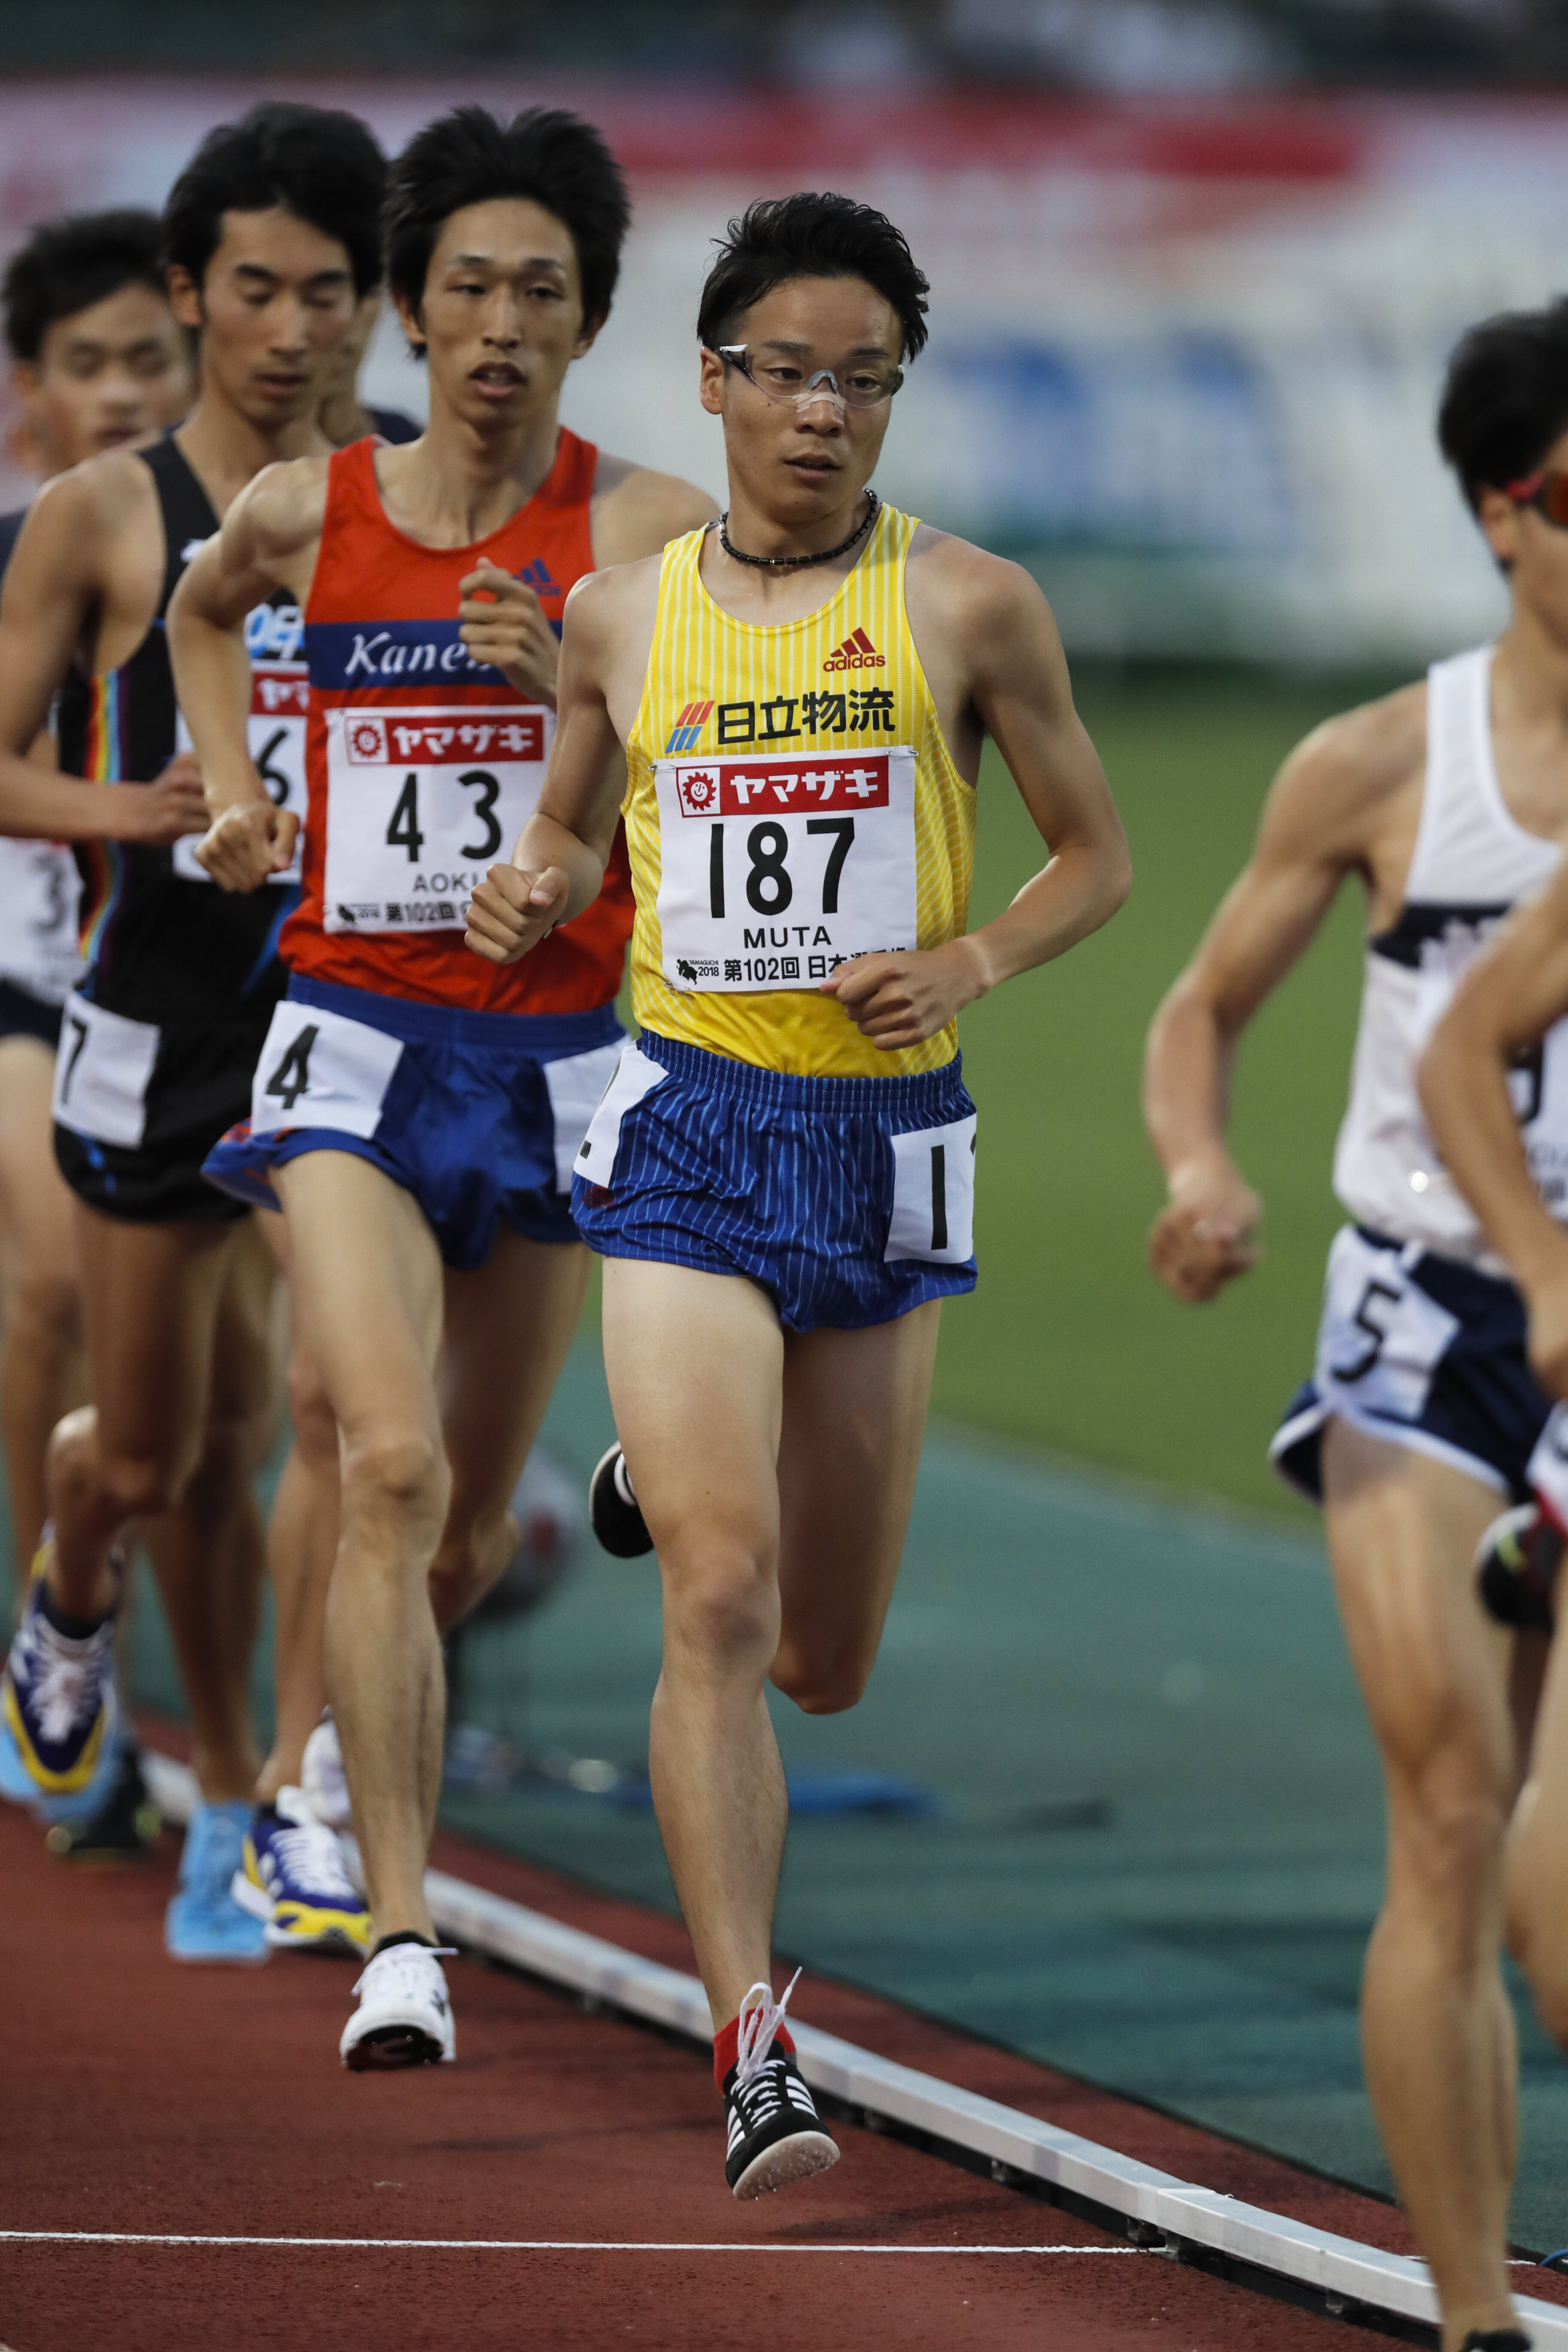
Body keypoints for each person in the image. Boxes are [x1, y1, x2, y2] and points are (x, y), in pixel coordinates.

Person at [465, 191, 1129, 2195]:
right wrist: (534, 885)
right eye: (786, 373)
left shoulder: (971, 604)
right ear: (715, 380)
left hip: (889, 1145)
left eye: (864, 380)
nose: (822, 413)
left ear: (895, 396)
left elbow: (1091, 855)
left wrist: (976, 962)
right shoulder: (619, 615)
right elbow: (572, 832)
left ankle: (668, 1465)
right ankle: (755, 2040)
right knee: (723, 1605)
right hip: (684, 1125)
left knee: (824, 1657)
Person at [170, 104, 715, 2055]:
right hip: (354, 1031)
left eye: (541, 292)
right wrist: (236, 789)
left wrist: (580, 688)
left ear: (588, 323)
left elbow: (705, 788)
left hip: (562, 1055)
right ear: (409, 310)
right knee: (377, 1458)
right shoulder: (319, 508)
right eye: (468, 285)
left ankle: (329, 1768)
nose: (500, 323)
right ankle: (398, 1931)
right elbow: (199, 611)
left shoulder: (648, 532)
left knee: (469, 1527)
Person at [1142, 301, 1568, 2352]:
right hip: (1427, 1317)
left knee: (1562, 1914)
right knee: (1451, 1808)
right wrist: (1199, 1167)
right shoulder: (1392, 760)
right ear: (1506, 515)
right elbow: (1202, 1004)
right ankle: (1480, 2317)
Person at [0, 102, 387, 1962]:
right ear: (191, 294)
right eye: (257, 292)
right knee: (155, 1453)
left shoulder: (400, 496)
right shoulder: (103, 513)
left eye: (329, 293)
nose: (295, 331)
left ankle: (267, 1799)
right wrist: (134, 809)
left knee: (323, 1410)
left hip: (353, 1013)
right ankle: (70, 1589)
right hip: (154, 1007)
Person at [0, 209, 194, 1576]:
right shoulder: (17, 553)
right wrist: (124, 814)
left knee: (224, 1381)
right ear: (32, 395)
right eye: (88, 360)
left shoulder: (247, 549)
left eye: (149, 355)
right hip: (25, 968)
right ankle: (52, 1599)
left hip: (202, 975)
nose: (123, 388)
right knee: (57, 1277)